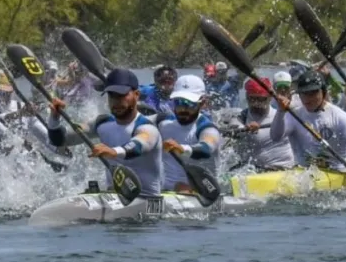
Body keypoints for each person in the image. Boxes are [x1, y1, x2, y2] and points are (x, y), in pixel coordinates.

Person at [47, 68, 163, 198]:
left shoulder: (147, 128)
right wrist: (54, 118)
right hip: (114, 197)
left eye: (121, 95)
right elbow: (59, 140)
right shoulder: (101, 123)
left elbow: (138, 146)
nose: (116, 101)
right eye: (111, 95)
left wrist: (114, 152)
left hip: (147, 199)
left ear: (136, 94)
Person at [270, 70, 346, 182]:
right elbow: (275, 137)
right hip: (303, 175)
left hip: (337, 174)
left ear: (324, 92)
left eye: (313, 93)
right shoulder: (294, 115)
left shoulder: (340, 116)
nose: (307, 98)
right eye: (304, 93)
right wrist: (280, 112)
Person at [158, 76, 222, 192]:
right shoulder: (164, 123)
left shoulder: (207, 129)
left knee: (181, 187)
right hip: (165, 190)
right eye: (179, 102)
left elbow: (206, 148)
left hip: (201, 190)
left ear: (202, 103)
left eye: (189, 104)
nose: (183, 109)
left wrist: (181, 148)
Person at [224, 79, 295, 171]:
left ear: (270, 97)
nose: (256, 103)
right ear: (246, 97)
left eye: (261, 99)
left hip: (286, 169)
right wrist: (246, 130)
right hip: (257, 172)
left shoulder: (282, 115)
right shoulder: (241, 117)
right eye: (252, 99)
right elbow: (234, 129)